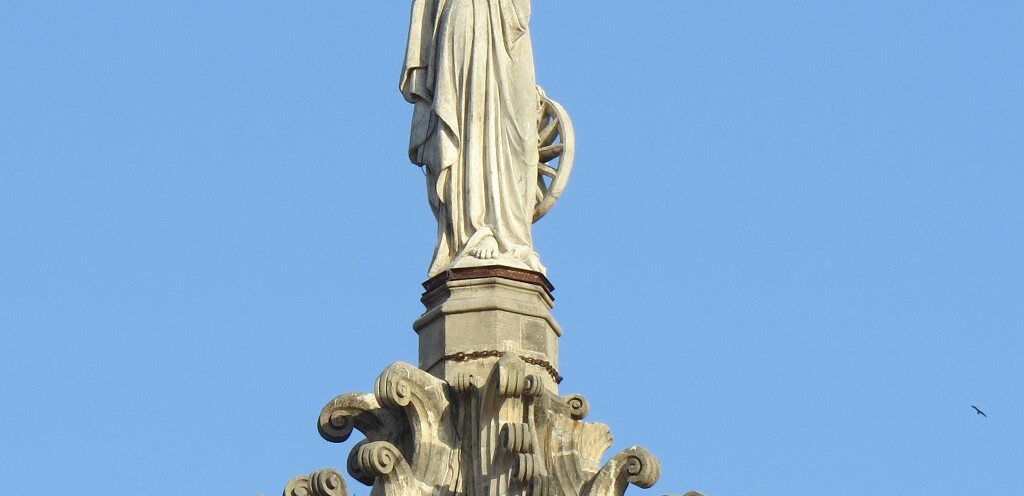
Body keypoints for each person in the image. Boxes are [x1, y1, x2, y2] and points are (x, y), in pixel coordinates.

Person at [401, 0, 544, 277]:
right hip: (469, 15)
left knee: (520, 137)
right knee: (472, 126)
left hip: (509, 20)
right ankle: (475, 230)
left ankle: (516, 241)